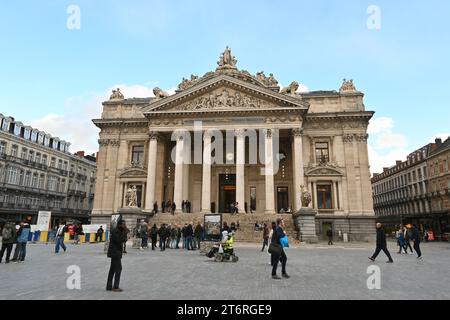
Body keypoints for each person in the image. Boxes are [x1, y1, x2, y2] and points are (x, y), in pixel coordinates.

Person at [106, 219, 128, 292]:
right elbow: (119, 240)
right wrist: (125, 232)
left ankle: (109, 286)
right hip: (115, 253)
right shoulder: (116, 231)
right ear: (120, 225)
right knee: (119, 269)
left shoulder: (118, 231)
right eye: (123, 224)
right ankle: (115, 287)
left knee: (112, 269)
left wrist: (124, 233)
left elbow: (124, 240)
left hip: (116, 252)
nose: (125, 226)